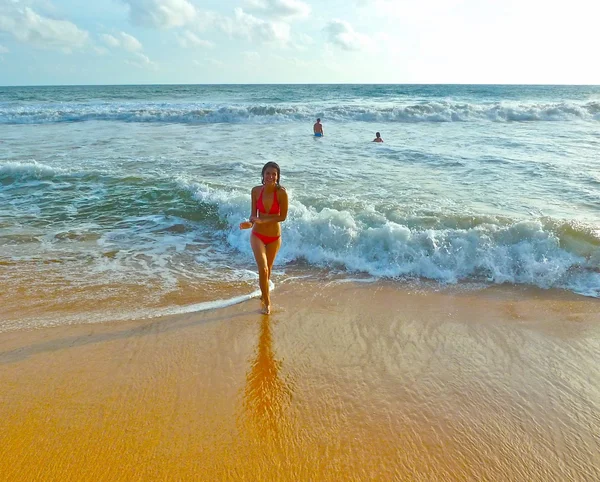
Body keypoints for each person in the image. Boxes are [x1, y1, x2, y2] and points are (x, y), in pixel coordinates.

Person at [246, 161, 288, 315]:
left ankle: (263, 294)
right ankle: (267, 303)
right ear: (263, 175)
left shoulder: (282, 193)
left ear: (277, 177)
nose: (270, 176)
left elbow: (282, 217)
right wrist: (251, 221)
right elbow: (253, 215)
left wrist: (264, 220)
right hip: (257, 235)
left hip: (274, 237)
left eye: (274, 174)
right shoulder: (256, 191)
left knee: (268, 270)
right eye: (268, 173)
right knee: (263, 269)